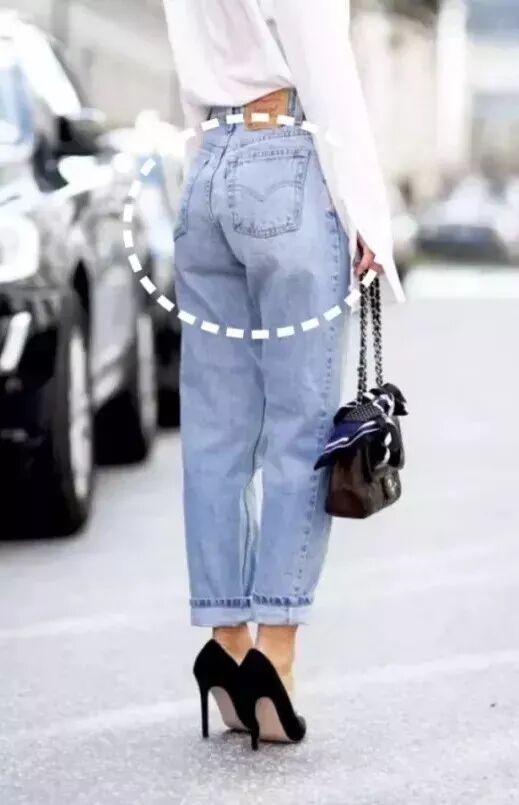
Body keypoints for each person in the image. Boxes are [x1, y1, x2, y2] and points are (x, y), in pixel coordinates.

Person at [163, 0, 404, 748]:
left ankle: (225, 644)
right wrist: (367, 212)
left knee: (215, 433)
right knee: (300, 428)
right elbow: (324, 65)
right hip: (288, 158)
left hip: (207, 167)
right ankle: (275, 656)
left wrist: (206, 170)